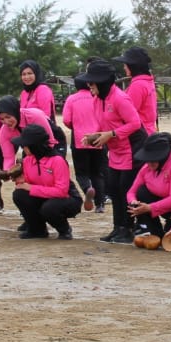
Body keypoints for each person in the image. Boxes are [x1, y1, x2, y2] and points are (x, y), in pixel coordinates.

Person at [83, 59, 144, 243]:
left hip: (132, 148)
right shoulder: (97, 100)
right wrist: (94, 137)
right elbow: (104, 125)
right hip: (116, 149)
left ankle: (128, 228)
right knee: (113, 188)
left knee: (125, 189)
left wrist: (111, 134)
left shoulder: (119, 98)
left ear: (102, 82)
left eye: (92, 82)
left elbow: (135, 124)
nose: (89, 85)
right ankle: (118, 227)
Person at [10, 123, 80, 240]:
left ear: (34, 145)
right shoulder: (27, 160)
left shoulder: (57, 161)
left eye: (24, 145)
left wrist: (31, 188)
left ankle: (64, 229)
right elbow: (28, 185)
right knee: (19, 194)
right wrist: (21, 181)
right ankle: (37, 230)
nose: (22, 148)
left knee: (49, 208)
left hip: (67, 199)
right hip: (44, 197)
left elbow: (61, 192)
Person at [125, 132, 171, 238]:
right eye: (147, 159)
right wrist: (133, 203)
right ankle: (154, 232)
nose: (149, 162)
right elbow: (131, 191)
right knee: (141, 192)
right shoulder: (147, 167)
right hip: (162, 206)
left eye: (153, 159)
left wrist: (149, 207)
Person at [63, 73, 106, 213]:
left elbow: (66, 120)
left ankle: (88, 188)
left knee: (81, 173)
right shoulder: (97, 97)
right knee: (97, 173)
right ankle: (100, 204)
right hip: (98, 138)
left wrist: (75, 127)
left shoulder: (71, 99)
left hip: (79, 140)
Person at [18, 59, 67, 157]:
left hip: (45, 136)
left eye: (30, 73)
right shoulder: (24, 93)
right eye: (23, 74)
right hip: (29, 138)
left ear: (36, 74)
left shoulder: (43, 90)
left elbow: (45, 117)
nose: (27, 77)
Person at [113, 46, 158, 136]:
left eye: (126, 64)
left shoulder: (138, 85)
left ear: (133, 66)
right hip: (148, 131)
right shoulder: (147, 81)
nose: (124, 67)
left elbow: (127, 113)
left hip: (140, 134)